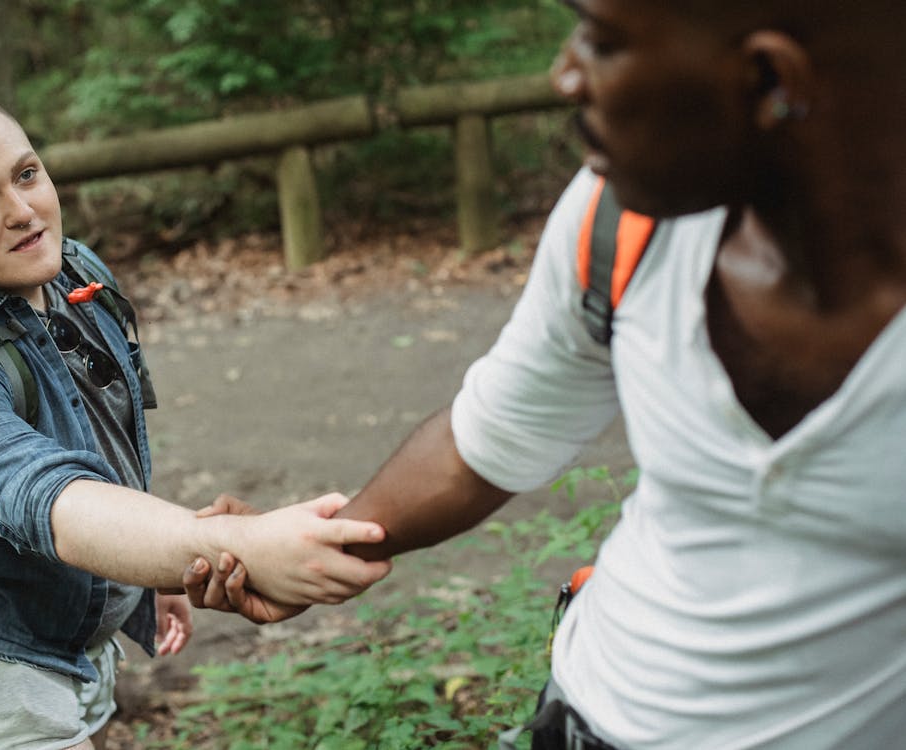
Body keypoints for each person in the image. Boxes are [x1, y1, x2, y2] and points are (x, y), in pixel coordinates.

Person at [184, 1, 906, 747]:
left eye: (600, 41)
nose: (563, 75)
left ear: (766, 80)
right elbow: (486, 440)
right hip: (583, 713)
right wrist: (300, 548)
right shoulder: (619, 225)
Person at [0, 90, 392, 749]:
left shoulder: (75, 272)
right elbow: (44, 497)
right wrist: (234, 544)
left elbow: (103, 440)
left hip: (69, 633)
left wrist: (151, 569)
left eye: (26, 175)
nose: (22, 212)